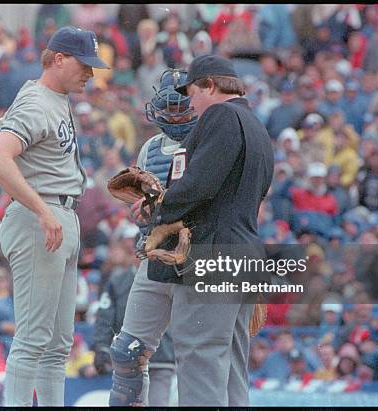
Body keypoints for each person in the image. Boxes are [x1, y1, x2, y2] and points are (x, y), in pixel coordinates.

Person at [110, 55, 274, 406]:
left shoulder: (220, 115)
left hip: (212, 254)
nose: (191, 103)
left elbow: (199, 185)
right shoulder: (256, 125)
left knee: (200, 361)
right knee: (229, 366)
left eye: (193, 93)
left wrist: (155, 206)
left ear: (210, 86)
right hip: (243, 253)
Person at [0, 26, 109, 406]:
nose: (90, 72)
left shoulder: (55, 98)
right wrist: (41, 209)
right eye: (84, 64)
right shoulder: (37, 101)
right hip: (42, 218)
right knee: (34, 338)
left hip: (60, 214)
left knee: (57, 344)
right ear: (58, 59)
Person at [106, 69, 197, 406]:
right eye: (168, 109)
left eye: (181, 108)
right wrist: (144, 208)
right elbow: (143, 197)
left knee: (197, 357)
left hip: (195, 256)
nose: (174, 116)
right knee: (126, 351)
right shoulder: (150, 147)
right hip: (154, 252)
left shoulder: (209, 139)